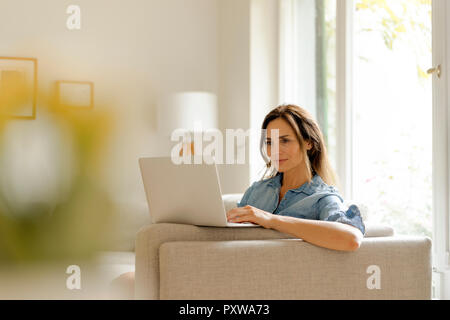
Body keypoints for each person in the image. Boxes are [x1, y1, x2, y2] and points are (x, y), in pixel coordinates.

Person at [226, 104, 365, 252]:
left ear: (309, 142)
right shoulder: (256, 190)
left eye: (285, 141)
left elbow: (351, 239)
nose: (275, 151)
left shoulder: (322, 198)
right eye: (269, 142)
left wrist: (271, 220)